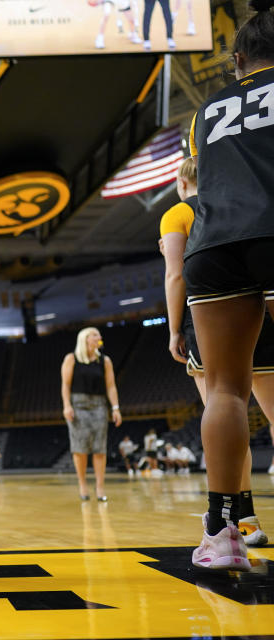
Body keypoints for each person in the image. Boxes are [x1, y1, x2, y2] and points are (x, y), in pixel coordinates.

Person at [183, 0, 274, 570]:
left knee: (224, 391)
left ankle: (223, 534)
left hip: (214, 245)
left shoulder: (205, 112)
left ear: (238, 59)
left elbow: (204, 175)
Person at [159, 157, 271, 544]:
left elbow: (176, 275)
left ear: (180, 180)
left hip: (213, 315)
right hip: (261, 304)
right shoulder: (241, 198)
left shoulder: (178, 212)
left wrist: (174, 329)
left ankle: (235, 524)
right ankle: (250, 523)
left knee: (225, 412)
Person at [61, 327, 123, 501]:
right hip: (78, 405)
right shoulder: (71, 359)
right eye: (95, 335)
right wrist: (67, 405)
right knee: (79, 449)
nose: (99, 337)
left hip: (99, 406)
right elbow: (65, 385)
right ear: (85, 339)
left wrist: (115, 408)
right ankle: (82, 484)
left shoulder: (105, 361)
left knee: (99, 449)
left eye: (99, 335)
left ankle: (100, 487)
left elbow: (111, 386)